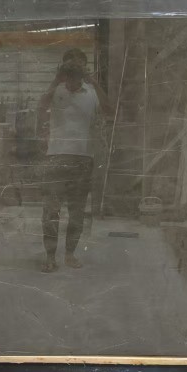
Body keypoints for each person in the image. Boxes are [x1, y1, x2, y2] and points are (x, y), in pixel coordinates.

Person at [37, 49, 112, 273]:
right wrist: (56, 80)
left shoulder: (91, 92)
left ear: (85, 68)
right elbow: (40, 107)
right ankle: (50, 256)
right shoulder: (56, 90)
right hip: (55, 157)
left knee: (77, 212)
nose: (74, 70)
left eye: (79, 66)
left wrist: (94, 82)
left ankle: (70, 254)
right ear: (63, 67)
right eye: (70, 66)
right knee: (51, 211)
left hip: (83, 158)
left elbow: (110, 111)